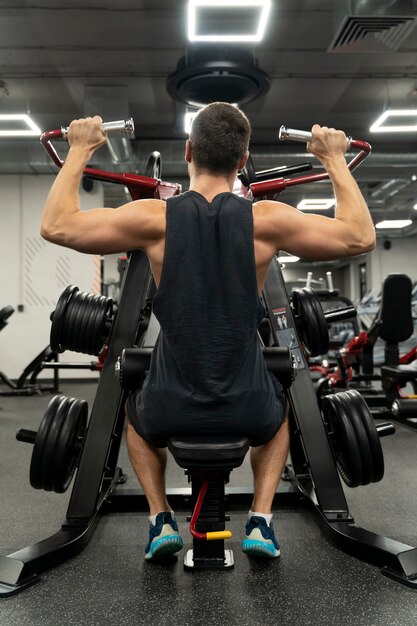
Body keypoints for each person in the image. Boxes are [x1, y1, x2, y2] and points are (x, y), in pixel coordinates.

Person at [40, 103, 375, 561]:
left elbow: (56, 225)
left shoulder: (153, 218)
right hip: (248, 408)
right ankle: (261, 520)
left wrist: (79, 149)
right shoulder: (266, 220)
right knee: (280, 415)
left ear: (188, 151)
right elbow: (359, 238)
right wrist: (334, 158)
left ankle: (160, 519)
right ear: (243, 160)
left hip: (168, 408)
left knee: (133, 417)